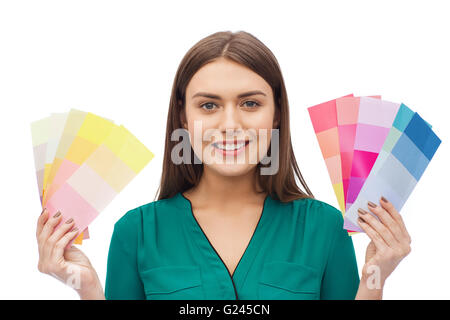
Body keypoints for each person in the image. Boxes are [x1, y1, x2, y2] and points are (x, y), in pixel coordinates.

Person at [36, 30, 412, 300]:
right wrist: (85, 288)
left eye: (250, 103)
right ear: (183, 117)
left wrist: (374, 279)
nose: (230, 124)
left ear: (277, 113)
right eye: (209, 105)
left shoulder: (323, 228)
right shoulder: (135, 233)